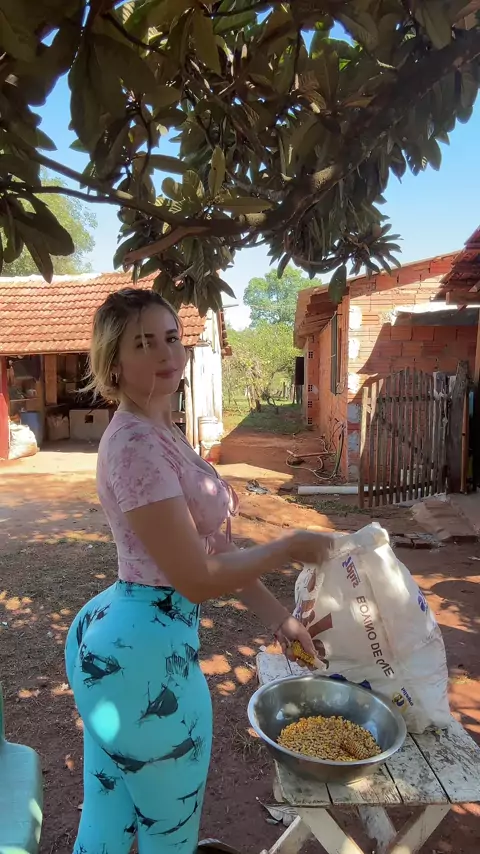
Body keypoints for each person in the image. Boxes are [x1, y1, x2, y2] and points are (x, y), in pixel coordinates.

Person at [65, 288, 333, 854]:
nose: (167, 354)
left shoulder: (162, 428)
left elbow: (214, 548)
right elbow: (194, 577)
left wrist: (279, 618)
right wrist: (287, 548)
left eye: (172, 338)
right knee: (169, 831)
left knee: (112, 812)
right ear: (115, 362)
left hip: (125, 635)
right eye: (144, 343)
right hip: (142, 656)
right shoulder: (135, 445)